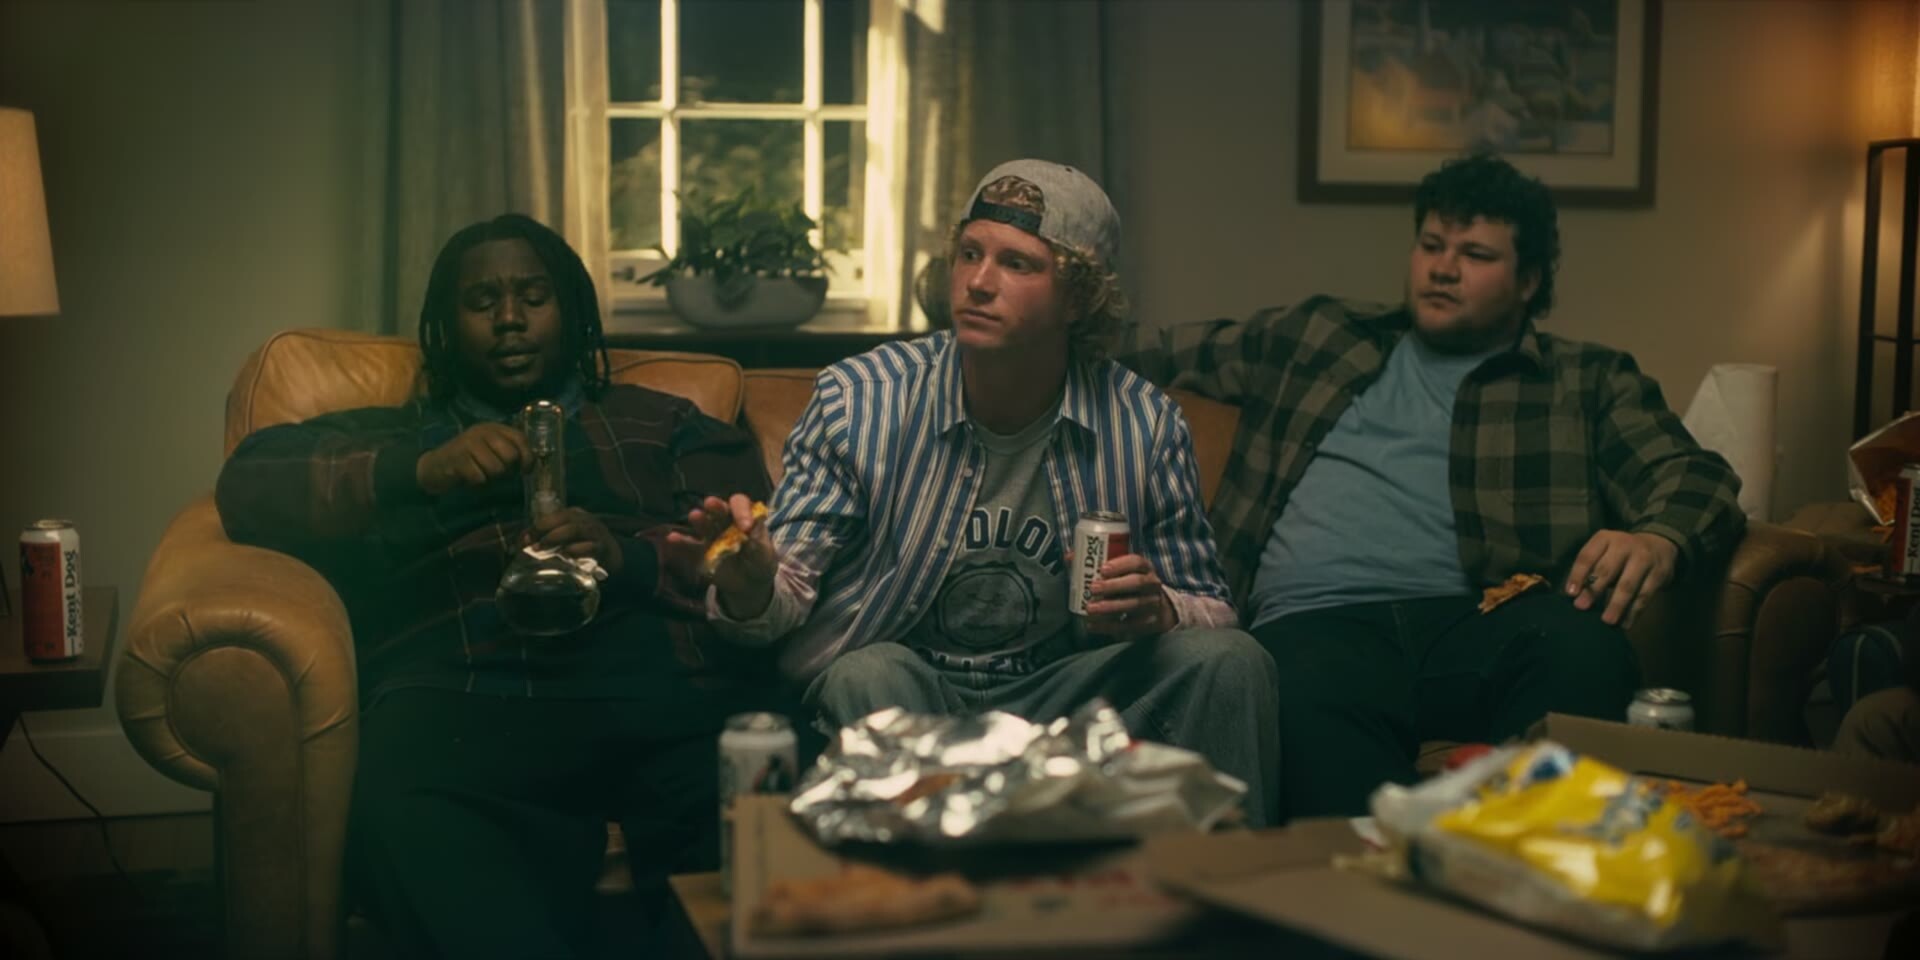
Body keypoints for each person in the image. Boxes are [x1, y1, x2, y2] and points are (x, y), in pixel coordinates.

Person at [1121, 154, 1745, 819]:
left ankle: (1528, 853)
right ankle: (1378, 867)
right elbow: (1146, 351)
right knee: (1296, 701)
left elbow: (1693, 475)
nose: (1443, 268)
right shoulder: (1320, 336)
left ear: (1529, 280)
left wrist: (1658, 538)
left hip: (1489, 619)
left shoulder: (1584, 379)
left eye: (1475, 254)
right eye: (1432, 245)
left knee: (1585, 648)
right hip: (1316, 624)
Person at [215, 214, 772, 957]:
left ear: (571, 312)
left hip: (657, 689)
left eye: (533, 297)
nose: (510, 319)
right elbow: (250, 483)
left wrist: (628, 557)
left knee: (767, 779)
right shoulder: (398, 435)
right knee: (397, 810)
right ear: (446, 329)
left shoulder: (663, 424)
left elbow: (744, 548)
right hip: (464, 694)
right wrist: (419, 470)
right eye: (482, 302)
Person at [682, 159, 1280, 827]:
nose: (978, 282)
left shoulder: (1144, 424)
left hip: (1071, 705)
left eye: (1017, 264)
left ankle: (1224, 885)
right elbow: (784, 599)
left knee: (1233, 663)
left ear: (1078, 298)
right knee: (866, 672)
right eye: (970, 253)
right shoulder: (860, 401)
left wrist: (1163, 609)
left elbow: (1214, 609)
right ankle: (939, 884)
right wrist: (750, 588)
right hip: (912, 693)